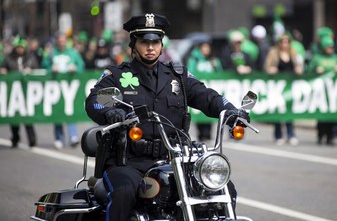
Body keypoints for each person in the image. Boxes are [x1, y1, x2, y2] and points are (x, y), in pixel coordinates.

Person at [85, 13, 249, 221]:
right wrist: (110, 112)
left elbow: (207, 96)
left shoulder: (177, 75)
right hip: (129, 162)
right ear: (133, 44)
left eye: (155, 41)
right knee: (124, 193)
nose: (151, 47)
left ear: (162, 44)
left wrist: (231, 111)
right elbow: (94, 101)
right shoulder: (117, 75)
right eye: (145, 42)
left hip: (174, 158)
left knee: (222, 187)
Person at [42, 31, 85, 149]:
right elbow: (44, 67)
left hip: (69, 87)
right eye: (59, 41)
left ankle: (73, 136)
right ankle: (59, 137)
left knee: (70, 111)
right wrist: (51, 69)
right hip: (55, 88)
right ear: (56, 41)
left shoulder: (73, 53)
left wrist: (75, 68)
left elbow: (81, 66)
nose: (62, 43)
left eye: (63, 40)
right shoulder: (50, 53)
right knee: (58, 113)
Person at [264, 33, 303, 146]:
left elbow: (299, 65)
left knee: (289, 111)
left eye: (287, 41)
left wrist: (298, 69)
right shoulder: (273, 53)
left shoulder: (293, 53)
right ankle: (278, 135)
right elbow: (267, 67)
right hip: (277, 88)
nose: (284, 44)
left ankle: (291, 134)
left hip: (290, 87)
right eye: (282, 41)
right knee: (278, 111)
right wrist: (271, 70)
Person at [0, 36, 39, 147]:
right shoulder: (8, 58)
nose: (20, 49)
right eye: (18, 47)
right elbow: (3, 68)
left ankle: (32, 139)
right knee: (14, 117)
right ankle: (15, 137)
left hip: (27, 92)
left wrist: (31, 71)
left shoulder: (30, 58)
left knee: (28, 116)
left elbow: (38, 70)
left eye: (22, 47)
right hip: (13, 93)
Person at [187, 33, 223, 141]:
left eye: (208, 47)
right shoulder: (194, 59)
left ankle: (208, 134)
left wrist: (216, 66)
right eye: (205, 47)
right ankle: (201, 134)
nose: (207, 49)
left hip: (211, 90)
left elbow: (220, 74)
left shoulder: (214, 60)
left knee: (211, 111)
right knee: (200, 113)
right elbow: (190, 73)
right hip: (199, 91)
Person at [308, 36, 337, 145]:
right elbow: (309, 70)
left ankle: (330, 137)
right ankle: (320, 135)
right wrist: (315, 70)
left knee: (332, 116)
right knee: (321, 115)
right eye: (328, 46)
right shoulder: (317, 58)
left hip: (333, 91)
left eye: (332, 46)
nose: (330, 48)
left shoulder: (336, 58)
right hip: (320, 90)